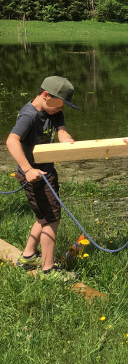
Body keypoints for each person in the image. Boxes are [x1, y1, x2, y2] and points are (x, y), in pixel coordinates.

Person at [6, 76, 79, 280]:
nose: (60, 109)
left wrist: (67, 142)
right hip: (33, 175)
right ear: (46, 95)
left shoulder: (54, 110)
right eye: (59, 105)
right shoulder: (29, 116)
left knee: (44, 215)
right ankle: (48, 269)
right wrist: (28, 169)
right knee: (52, 218)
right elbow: (12, 141)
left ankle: (28, 256)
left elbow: (61, 131)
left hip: (47, 172)